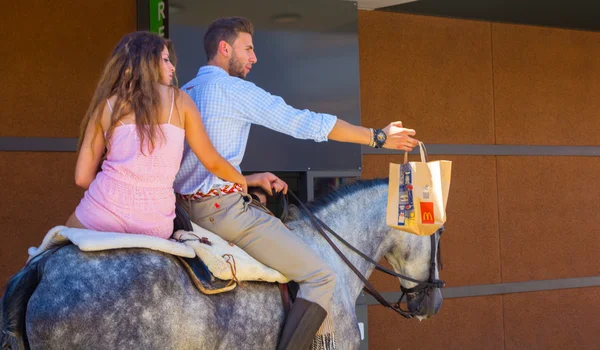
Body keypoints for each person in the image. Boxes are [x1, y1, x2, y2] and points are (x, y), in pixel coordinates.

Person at [174, 17, 418, 349]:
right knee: (321, 277)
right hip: (222, 214)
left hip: (184, 212)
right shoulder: (233, 90)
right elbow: (304, 123)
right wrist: (377, 137)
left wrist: (247, 179)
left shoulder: (184, 92)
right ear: (224, 48)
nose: (254, 57)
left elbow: (193, 164)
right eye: (248, 48)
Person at [65, 31, 246, 239]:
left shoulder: (105, 106)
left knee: (50, 251)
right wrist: (241, 180)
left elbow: (82, 178)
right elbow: (212, 162)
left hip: (102, 213)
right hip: (155, 223)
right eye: (166, 60)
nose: (173, 67)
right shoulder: (181, 101)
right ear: (147, 62)